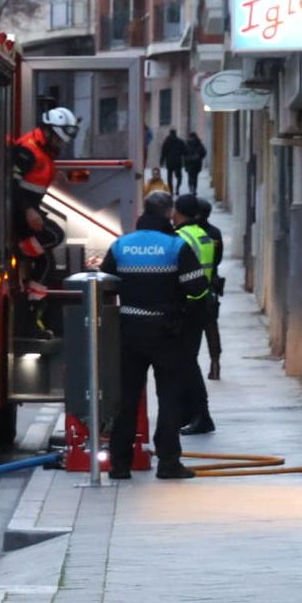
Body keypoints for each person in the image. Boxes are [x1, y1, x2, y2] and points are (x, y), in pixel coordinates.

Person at [101, 189, 209, 479]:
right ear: (167, 213)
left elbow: (105, 283)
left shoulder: (122, 245)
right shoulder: (175, 247)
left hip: (128, 332)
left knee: (126, 398)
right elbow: (197, 287)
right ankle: (168, 462)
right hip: (166, 333)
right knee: (169, 397)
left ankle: (119, 465)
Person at [12, 107, 81, 301]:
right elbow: (11, 183)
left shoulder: (44, 150)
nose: (59, 144)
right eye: (58, 139)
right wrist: (28, 210)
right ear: (49, 131)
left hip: (28, 208)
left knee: (46, 264)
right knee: (54, 235)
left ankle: (32, 309)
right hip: (19, 210)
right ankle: (17, 252)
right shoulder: (27, 149)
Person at [173, 194, 219, 435]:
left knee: (186, 363)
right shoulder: (204, 236)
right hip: (201, 304)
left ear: (177, 212)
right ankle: (192, 415)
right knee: (188, 362)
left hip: (186, 306)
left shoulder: (181, 238)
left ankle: (200, 416)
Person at [197, 198, 226, 381]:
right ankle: (215, 363)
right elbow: (218, 259)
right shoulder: (215, 232)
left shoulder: (188, 234)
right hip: (211, 285)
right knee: (211, 326)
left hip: (190, 287)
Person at [159, 130, 186, 194]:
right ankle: (177, 188)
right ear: (175, 134)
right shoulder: (180, 141)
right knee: (179, 176)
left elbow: (163, 153)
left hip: (169, 161)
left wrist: (161, 161)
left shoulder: (166, 142)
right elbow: (185, 151)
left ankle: (171, 190)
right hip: (178, 161)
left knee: (169, 176)